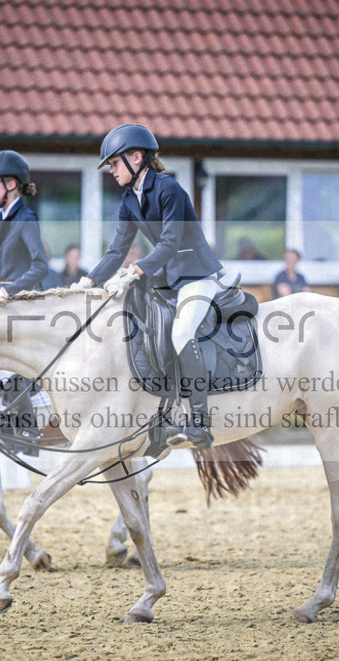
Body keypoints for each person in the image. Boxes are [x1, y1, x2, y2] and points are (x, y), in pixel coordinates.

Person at [72, 123, 235, 449]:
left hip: (195, 276)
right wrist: (87, 282)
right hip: (166, 280)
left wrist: (136, 269)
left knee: (180, 332)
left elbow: (171, 243)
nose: (112, 171)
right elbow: (116, 251)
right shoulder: (129, 201)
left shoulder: (168, 189)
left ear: (136, 157)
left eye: (115, 163)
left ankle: (200, 423)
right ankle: (161, 414)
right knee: (141, 328)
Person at [0, 150, 50, 445]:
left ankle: (27, 428)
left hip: (25, 303)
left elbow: (41, 265)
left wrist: (7, 290)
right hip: (3, 302)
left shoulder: (26, 218)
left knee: (4, 360)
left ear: (11, 184)